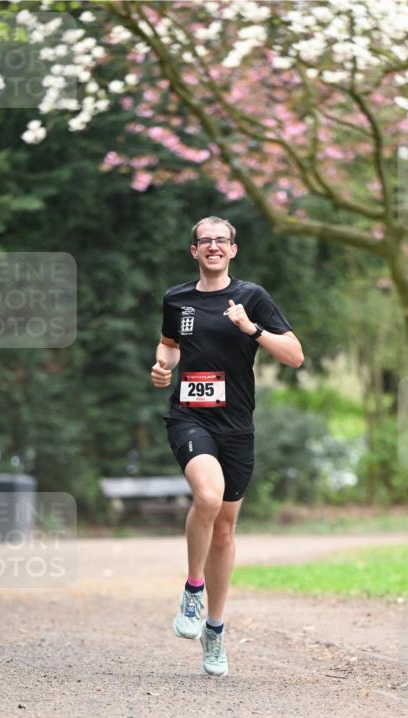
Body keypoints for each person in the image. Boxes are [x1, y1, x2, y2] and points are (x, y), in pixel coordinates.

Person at [151, 216, 304, 677]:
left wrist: (251, 329)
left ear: (233, 250)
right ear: (193, 250)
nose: (213, 246)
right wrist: (162, 368)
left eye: (221, 240)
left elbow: (295, 355)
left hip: (236, 425)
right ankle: (193, 589)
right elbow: (169, 346)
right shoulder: (177, 298)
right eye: (205, 241)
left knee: (224, 530)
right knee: (208, 497)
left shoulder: (252, 298)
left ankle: (214, 630)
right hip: (189, 417)